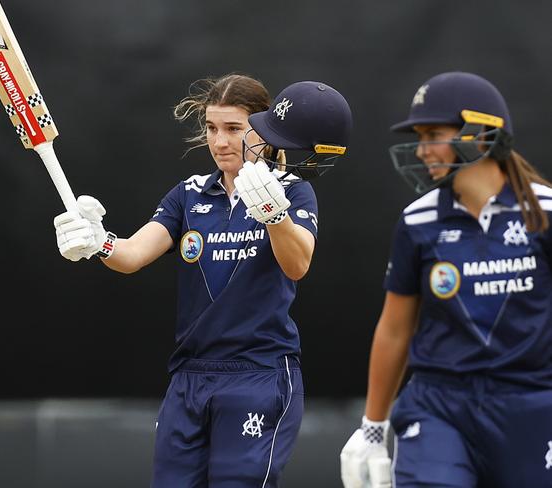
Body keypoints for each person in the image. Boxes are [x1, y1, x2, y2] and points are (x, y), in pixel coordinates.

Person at [53, 73, 352, 487]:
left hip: (259, 372)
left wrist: (273, 215)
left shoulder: (293, 191)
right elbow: (133, 254)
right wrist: (98, 241)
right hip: (190, 375)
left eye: (233, 128)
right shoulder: (188, 194)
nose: (220, 141)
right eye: (212, 128)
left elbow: (297, 264)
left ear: (264, 131)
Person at [340, 71, 552, 488]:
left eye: (433, 134)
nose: (421, 151)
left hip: (532, 403)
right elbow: (395, 329)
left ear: (480, 133)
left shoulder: (544, 211)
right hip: (438, 407)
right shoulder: (418, 220)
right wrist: (373, 426)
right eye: (419, 137)